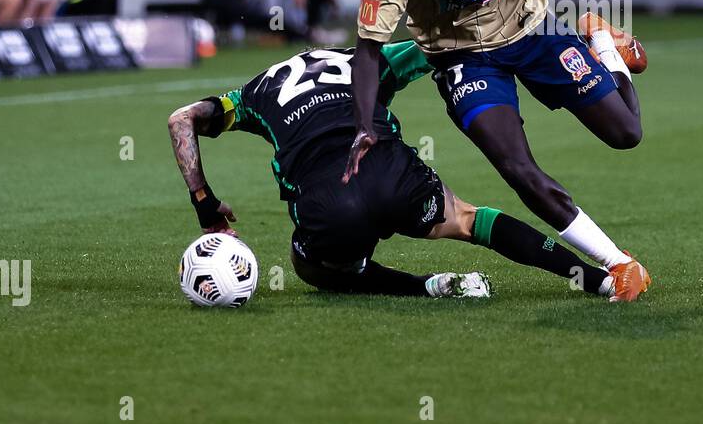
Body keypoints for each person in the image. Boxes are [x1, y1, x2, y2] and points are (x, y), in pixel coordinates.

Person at [349, 0, 652, 302]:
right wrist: (363, 123)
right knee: (516, 167)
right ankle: (618, 264)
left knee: (626, 134)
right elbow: (368, 47)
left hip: (535, 28)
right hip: (463, 58)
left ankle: (602, 41)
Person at [166, 42, 622, 300]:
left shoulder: (253, 93)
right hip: (389, 171)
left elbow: (180, 119)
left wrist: (205, 203)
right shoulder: (366, 60)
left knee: (309, 267)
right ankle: (597, 278)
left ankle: (429, 287)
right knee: (469, 220)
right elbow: (440, 47)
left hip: (328, 203)